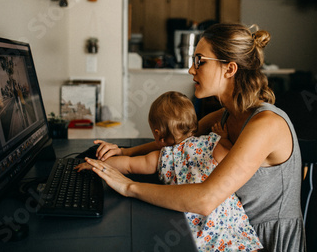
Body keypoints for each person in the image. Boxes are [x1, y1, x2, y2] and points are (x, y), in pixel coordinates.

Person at [84, 23, 306, 252]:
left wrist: (129, 187)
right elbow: (179, 142)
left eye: (200, 60)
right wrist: (125, 152)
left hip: (260, 241)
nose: (192, 69)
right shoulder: (226, 115)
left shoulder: (266, 125)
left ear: (229, 69)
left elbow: (205, 199)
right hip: (225, 232)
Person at [76, 91, 263, 251]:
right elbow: (231, 155)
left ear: (158, 134)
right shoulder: (213, 143)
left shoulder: (162, 157)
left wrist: (97, 165)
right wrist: (223, 137)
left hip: (195, 231)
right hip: (228, 225)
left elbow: (128, 165)